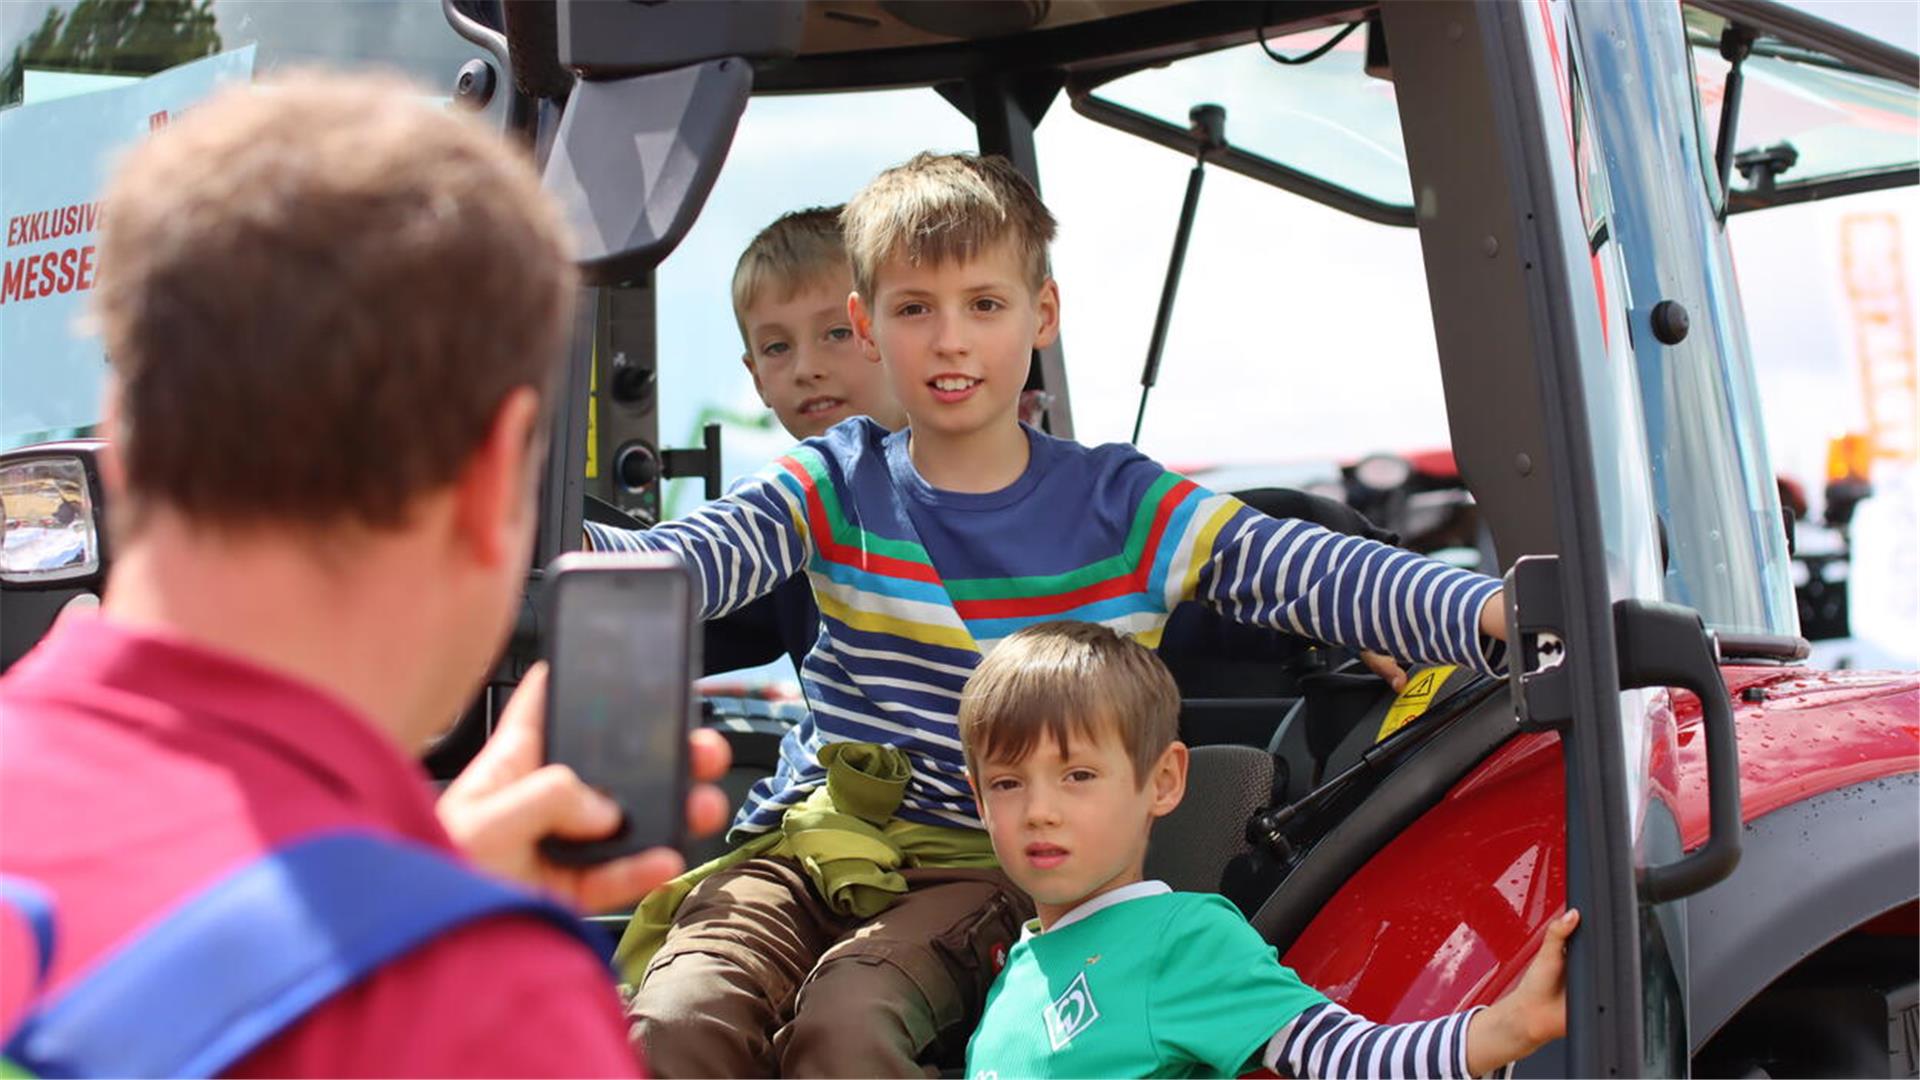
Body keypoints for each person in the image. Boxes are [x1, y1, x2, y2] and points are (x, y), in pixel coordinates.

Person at [587, 151, 1512, 1077]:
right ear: (868, 327)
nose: (952, 341)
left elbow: (1300, 567)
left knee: (848, 1023)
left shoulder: (1121, 505)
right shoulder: (829, 481)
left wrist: (1489, 612)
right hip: (810, 839)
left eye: (984, 306)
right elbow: (687, 561)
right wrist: (539, 550)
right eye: (916, 309)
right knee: (675, 1015)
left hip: (976, 861)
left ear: (1043, 315)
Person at [0, 72, 730, 1075]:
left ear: (116, 439)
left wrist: (414, 869)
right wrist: (426, 923)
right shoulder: (470, 1007)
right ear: (489, 480)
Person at [957, 620, 1574, 1079]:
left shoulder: (1181, 940)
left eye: (1078, 776)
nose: (1039, 810)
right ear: (979, 801)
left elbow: (1340, 1056)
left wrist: (1507, 1028)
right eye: (1008, 783)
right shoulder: (1021, 966)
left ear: (1165, 781)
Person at [703, 206, 905, 677]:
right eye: (777, 347)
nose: (806, 368)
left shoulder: (966, 487)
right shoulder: (790, 517)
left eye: (836, 333)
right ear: (756, 378)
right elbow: (676, 624)